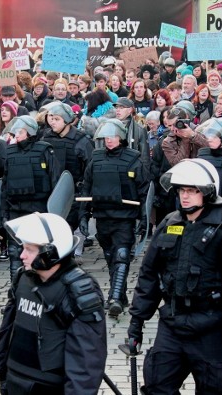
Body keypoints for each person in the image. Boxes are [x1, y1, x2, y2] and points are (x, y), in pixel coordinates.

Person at [126, 158, 222, 394]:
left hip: (211, 327)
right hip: (172, 323)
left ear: (207, 193)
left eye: (192, 190)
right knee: (157, 386)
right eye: (181, 190)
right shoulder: (170, 223)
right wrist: (136, 321)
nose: (184, 196)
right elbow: (149, 275)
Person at [0, 212, 107, 394]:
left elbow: (87, 362)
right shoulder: (23, 279)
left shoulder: (79, 290)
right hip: (15, 381)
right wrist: (1, 372)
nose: (22, 255)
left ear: (51, 252)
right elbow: (7, 331)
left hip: (49, 387)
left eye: (29, 250)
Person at [80, 119, 149, 317]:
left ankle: (116, 297)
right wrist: (83, 216)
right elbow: (87, 186)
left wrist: (143, 219)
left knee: (121, 255)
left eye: (113, 137)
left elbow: (144, 190)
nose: (109, 141)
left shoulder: (133, 159)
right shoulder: (96, 158)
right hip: (103, 216)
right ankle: (120, 294)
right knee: (111, 257)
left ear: (121, 137)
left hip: (124, 217)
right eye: (106, 137)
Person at [1, 116, 61, 281]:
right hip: (15, 208)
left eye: (19, 131)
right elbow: (5, 185)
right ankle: (16, 289)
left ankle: (39, 284)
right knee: (14, 252)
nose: (16, 135)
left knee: (37, 251)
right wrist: (4, 211)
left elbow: (55, 181)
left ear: (29, 132)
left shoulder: (45, 151)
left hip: (38, 209)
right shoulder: (10, 152)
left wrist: (53, 212)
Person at [40, 102, 93, 231]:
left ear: (67, 121)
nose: (53, 122)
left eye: (57, 119)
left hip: (73, 196)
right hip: (50, 194)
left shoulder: (81, 141)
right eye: (51, 118)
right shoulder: (45, 139)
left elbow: (90, 171)